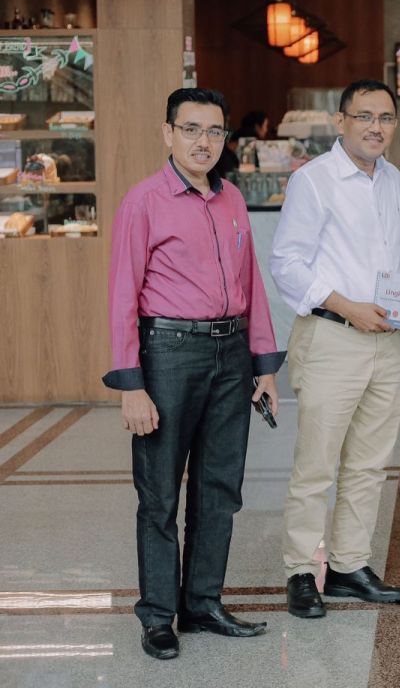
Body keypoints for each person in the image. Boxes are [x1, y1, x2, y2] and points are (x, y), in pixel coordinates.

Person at [103, 87, 284, 660]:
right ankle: (159, 615)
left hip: (232, 354)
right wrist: (131, 384)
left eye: (214, 131)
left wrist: (264, 366)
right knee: (159, 492)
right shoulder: (143, 201)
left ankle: (203, 604)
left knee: (220, 488)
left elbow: (252, 285)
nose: (203, 142)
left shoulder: (231, 199)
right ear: (168, 133)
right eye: (191, 129)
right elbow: (122, 295)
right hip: (169, 353)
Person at [270, 79, 400, 618]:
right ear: (341, 121)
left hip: (387, 341)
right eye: (365, 116)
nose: (376, 127)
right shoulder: (314, 180)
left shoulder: (393, 179)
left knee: (370, 462)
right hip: (332, 336)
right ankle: (301, 570)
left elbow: (399, 260)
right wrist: (348, 306)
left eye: (386, 118)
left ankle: (350, 566)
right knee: (316, 465)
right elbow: (287, 263)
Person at [216, 110, 269, 178]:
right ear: (257, 127)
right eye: (265, 126)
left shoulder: (238, 134)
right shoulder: (250, 142)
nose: (266, 130)